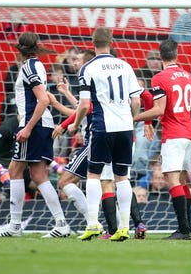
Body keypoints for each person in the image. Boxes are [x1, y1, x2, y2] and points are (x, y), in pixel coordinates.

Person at [0, 32, 71, 238]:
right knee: (38, 175)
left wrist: (27, 127)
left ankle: (15, 225)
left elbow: (43, 100)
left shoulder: (28, 67)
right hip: (41, 125)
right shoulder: (37, 65)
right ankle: (61, 223)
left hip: (33, 126)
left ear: (20, 49)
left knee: (15, 171)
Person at [71, 26, 142, 242]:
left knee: (94, 174)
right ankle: (123, 228)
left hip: (103, 126)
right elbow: (136, 101)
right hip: (125, 127)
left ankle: (92, 224)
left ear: (92, 43)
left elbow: (84, 105)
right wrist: (130, 118)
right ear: (111, 42)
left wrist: (75, 124)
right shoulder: (126, 65)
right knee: (122, 176)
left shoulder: (87, 68)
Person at [134, 39, 191, 240]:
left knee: (171, 179)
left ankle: (183, 230)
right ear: (176, 54)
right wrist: (185, 109)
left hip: (174, 133)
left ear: (161, 56)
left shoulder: (159, 78)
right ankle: (187, 229)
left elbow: (159, 109)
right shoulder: (188, 76)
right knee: (182, 180)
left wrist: (133, 118)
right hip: (189, 132)